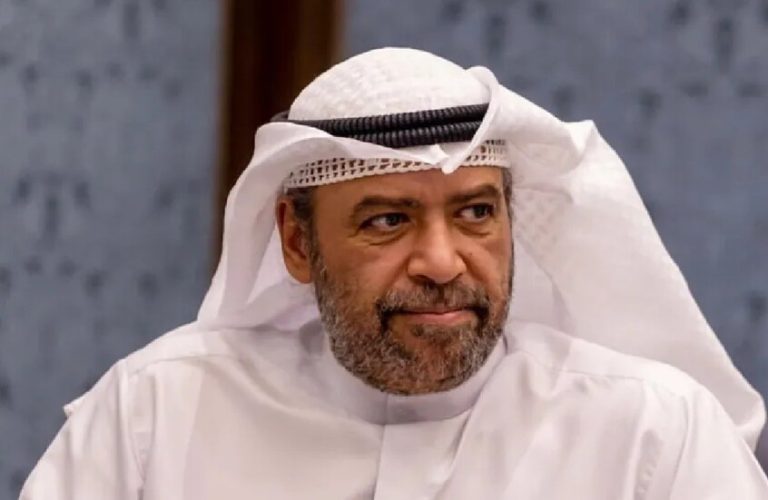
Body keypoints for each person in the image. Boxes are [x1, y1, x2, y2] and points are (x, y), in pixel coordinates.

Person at [20, 48, 768, 499]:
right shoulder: (153, 414)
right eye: (387, 220)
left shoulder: (654, 431)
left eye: (476, 213)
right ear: (297, 242)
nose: (442, 262)